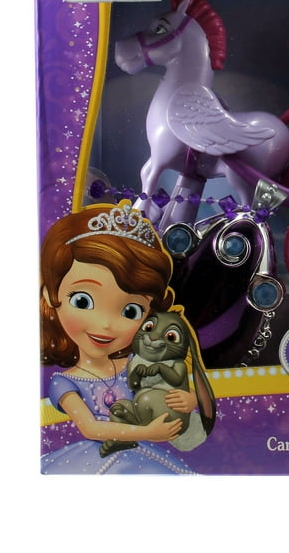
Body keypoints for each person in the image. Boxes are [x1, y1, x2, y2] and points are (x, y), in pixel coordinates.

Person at [40, 202, 203, 474]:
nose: (105, 324)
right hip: (95, 463)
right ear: (50, 295)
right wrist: (146, 432)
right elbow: (90, 428)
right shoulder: (64, 382)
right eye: (82, 301)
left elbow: (173, 390)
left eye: (131, 311)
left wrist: (190, 399)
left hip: (146, 460)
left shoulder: (137, 364)